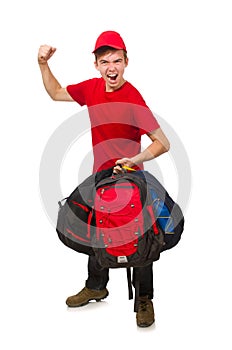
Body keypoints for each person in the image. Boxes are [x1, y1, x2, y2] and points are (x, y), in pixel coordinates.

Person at [38, 30, 170, 327]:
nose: (112, 67)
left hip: (131, 182)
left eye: (117, 61)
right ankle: (97, 286)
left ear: (126, 62)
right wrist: (43, 65)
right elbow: (56, 92)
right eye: (105, 61)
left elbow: (163, 142)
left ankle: (144, 299)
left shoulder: (133, 98)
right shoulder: (91, 89)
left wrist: (136, 160)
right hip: (100, 178)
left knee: (140, 238)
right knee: (99, 230)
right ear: (96, 65)